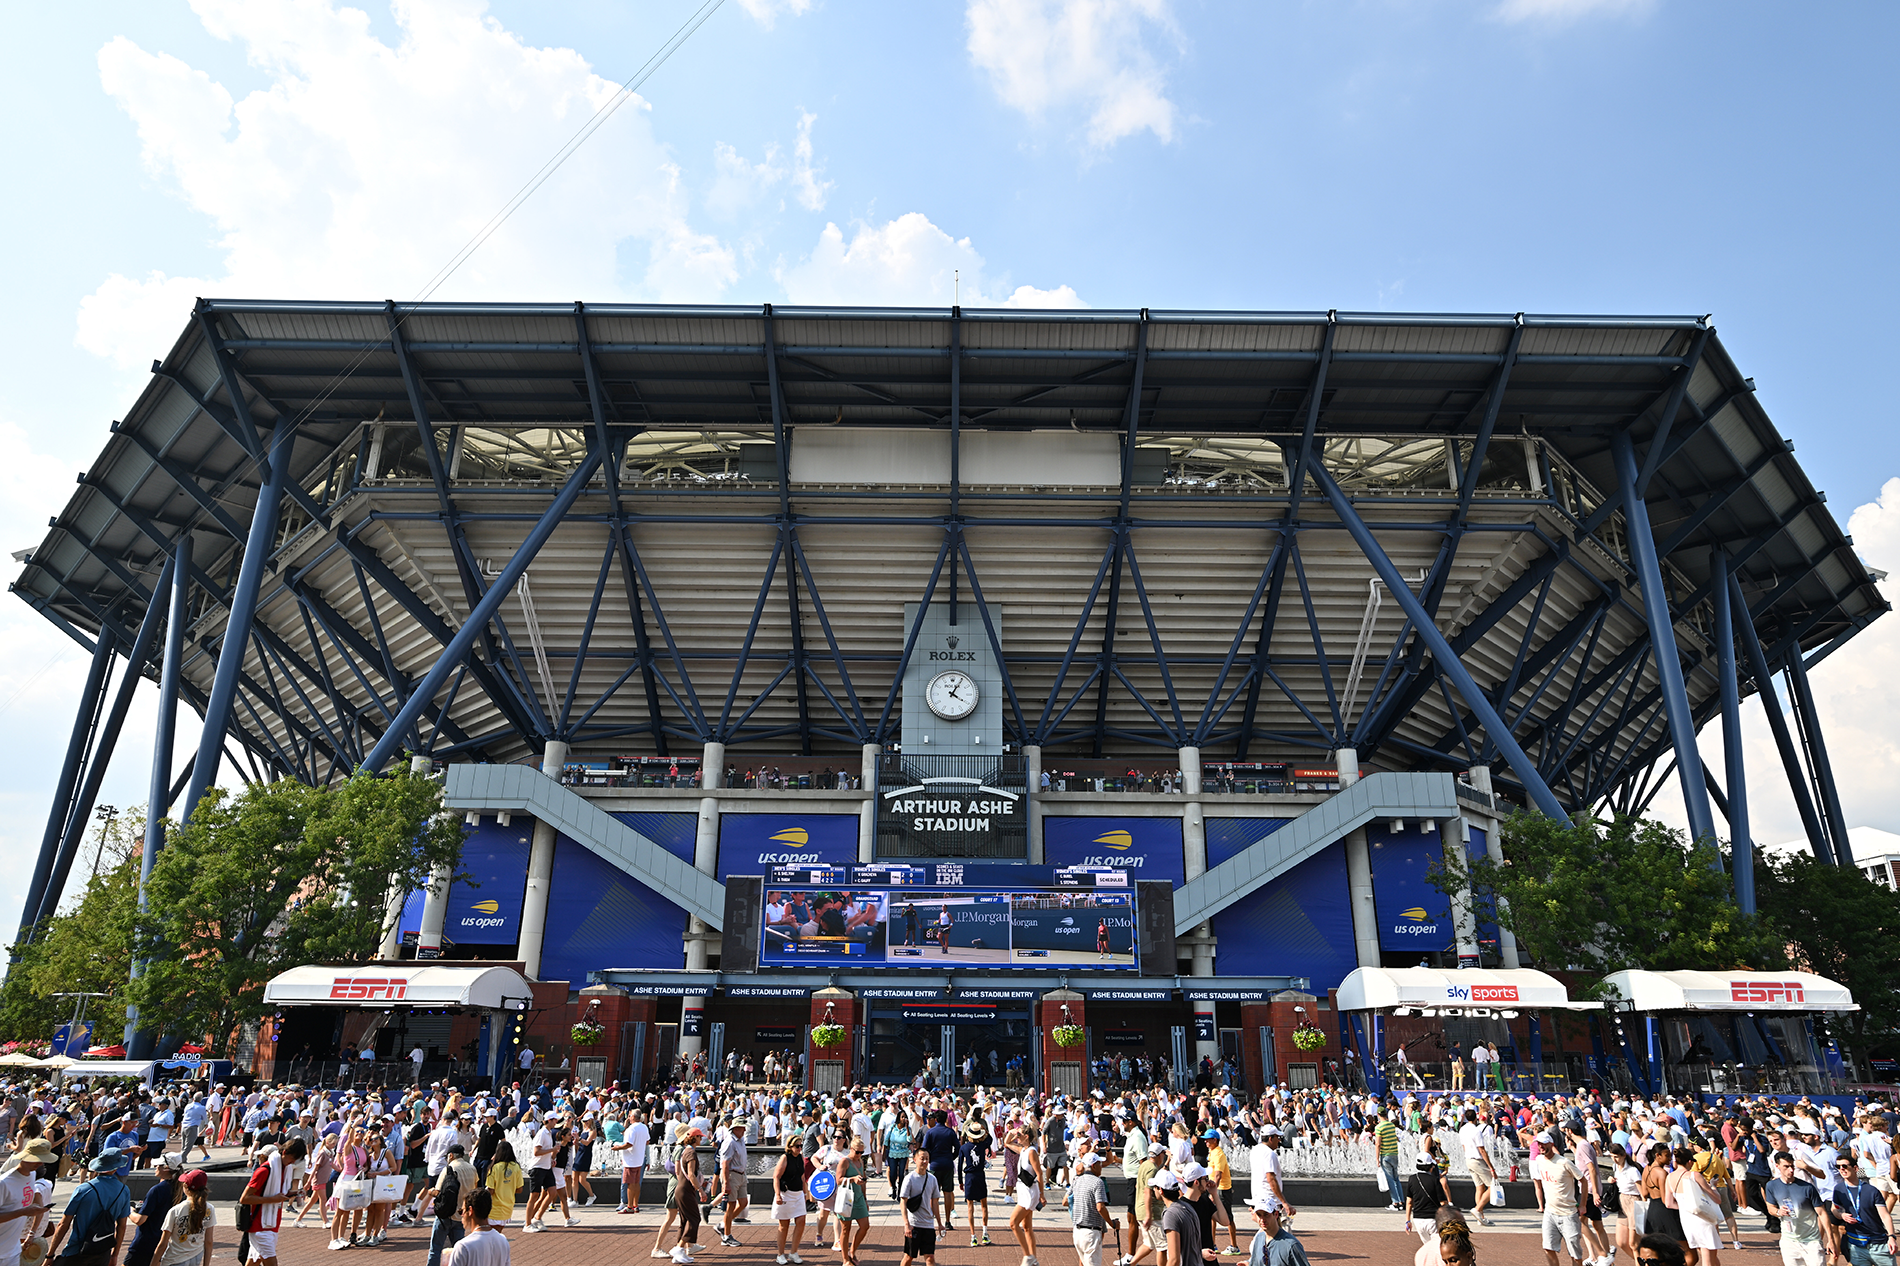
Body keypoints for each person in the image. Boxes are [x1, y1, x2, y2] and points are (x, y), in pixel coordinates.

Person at [238, 1136, 305, 1266]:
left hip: (270, 1223)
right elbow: (244, 1198)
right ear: (284, 1152)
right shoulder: (264, 1171)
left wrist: (293, 1193)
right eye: (292, 1159)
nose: (292, 1163)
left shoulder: (283, 1169)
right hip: (261, 1225)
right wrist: (273, 1199)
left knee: (254, 1261)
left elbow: (277, 1193)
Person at [1829, 1154, 1896, 1266]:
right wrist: (1841, 1215)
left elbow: (1885, 1216)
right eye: (1838, 1166)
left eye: (1845, 1166)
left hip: (1878, 1244)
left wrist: (1892, 1237)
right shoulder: (1838, 1189)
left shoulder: (1871, 1190)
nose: (1841, 1169)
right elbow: (1834, 1209)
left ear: (1855, 1168)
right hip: (1856, 1245)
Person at [1763, 1150, 1823, 1266]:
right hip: (1789, 1240)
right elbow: (1770, 1208)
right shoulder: (1771, 1185)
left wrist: (1829, 1240)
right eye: (1786, 1166)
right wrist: (1778, 1212)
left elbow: (1822, 1213)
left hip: (1811, 1240)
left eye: (1792, 1166)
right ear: (1777, 1166)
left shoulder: (1807, 1187)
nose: (1791, 1170)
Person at [1536, 1130, 1586, 1266]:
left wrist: (1582, 1204)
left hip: (1568, 1214)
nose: (1541, 1146)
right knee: (1548, 1247)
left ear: (1551, 1144)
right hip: (1549, 1212)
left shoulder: (1564, 1162)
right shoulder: (1539, 1160)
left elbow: (1583, 1180)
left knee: (1575, 1254)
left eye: (1544, 1144)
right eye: (1539, 1144)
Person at [0, 1139, 53, 1266]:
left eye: (43, 1159)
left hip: (13, 1249)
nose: (40, 1163)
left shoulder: (31, 1175)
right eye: (36, 1159)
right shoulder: (4, 1183)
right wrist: (24, 1212)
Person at [123, 1152, 181, 1266]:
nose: (155, 1167)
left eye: (158, 1165)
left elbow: (140, 1220)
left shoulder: (157, 1190)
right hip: (164, 1241)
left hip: (145, 1241)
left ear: (166, 1168)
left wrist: (129, 1211)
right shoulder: (179, 1189)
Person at [151, 1168, 213, 1266]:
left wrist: (153, 1263)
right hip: (196, 1256)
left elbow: (163, 1244)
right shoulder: (209, 1209)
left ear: (185, 1187)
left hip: (174, 1259)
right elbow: (208, 1241)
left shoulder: (175, 1210)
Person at [1069, 1152, 1116, 1266]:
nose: (1101, 1167)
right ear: (1094, 1165)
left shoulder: (1077, 1180)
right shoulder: (1098, 1182)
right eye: (1099, 1164)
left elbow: (1065, 1201)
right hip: (1091, 1232)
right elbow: (1100, 1207)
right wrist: (1112, 1223)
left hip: (1077, 1230)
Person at [899, 1152, 945, 1266]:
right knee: (909, 1256)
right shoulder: (909, 1178)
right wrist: (906, 1224)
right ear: (915, 1159)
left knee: (930, 1257)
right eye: (922, 1158)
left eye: (927, 1159)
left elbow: (935, 1202)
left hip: (928, 1224)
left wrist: (939, 1223)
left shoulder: (932, 1179)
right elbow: (903, 1201)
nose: (925, 1161)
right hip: (914, 1224)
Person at [442, 1189, 509, 1266]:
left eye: (462, 1211)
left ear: (470, 1210)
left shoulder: (463, 1246)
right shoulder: (503, 1241)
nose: (462, 1215)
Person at [771, 1134, 807, 1266]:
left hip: (798, 1194)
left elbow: (802, 1176)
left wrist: (805, 1192)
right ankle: (780, 1254)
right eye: (797, 1146)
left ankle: (794, 1251)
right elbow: (776, 1176)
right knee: (784, 1225)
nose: (799, 1148)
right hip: (786, 1194)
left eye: (801, 1146)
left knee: (801, 1221)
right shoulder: (785, 1158)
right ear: (790, 1146)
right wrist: (778, 1194)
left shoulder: (800, 1158)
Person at [833, 1138, 871, 1266]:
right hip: (846, 1198)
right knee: (845, 1229)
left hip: (859, 1197)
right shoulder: (845, 1161)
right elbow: (838, 1180)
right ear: (851, 1149)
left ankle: (852, 1251)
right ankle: (845, 1259)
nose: (859, 1155)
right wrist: (852, 1179)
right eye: (857, 1152)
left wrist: (865, 1199)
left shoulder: (860, 1161)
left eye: (862, 1152)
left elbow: (863, 1181)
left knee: (865, 1225)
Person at [1012, 1125, 1045, 1266]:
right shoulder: (1023, 1149)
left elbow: (1039, 1173)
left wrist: (1042, 1194)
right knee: (1027, 1227)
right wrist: (1013, 1132)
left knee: (1013, 1223)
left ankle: (1028, 1255)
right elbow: (1007, 1142)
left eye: (1019, 1135)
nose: (1017, 1138)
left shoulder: (1031, 1152)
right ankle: (1034, 1258)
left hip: (1030, 1192)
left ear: (1026, 1137)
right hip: (1022, 1190)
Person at [1245, 1194, 1309, 1266]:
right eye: (1259, 1215)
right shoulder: (1259, 1238)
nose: (1262, 1220)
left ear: (1276, 1214)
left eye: (1266, 1214)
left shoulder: (1291, 1245)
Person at [1405, 1155, 1454, 1244]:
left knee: (1427, 1246)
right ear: (1431, 1167)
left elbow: (1409, 1202)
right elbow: (1443, 1202)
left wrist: (1408, 1221)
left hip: (1418, 1220)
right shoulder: (1435, 1180)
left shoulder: (1412, 1179)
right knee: (1438, 1247)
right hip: (1432, 1219)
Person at [961, 1119, 993, 1247]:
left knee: (970, 1207)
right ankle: (985, 1234)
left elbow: (958, 1167)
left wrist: (959, 1181)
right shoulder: (982, 1145)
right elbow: (990, 1139)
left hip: (969, 1177)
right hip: (980, 1175)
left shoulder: (963, 1147)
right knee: (984, 1205)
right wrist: (983, 1129)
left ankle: (973, 1236)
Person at [618, 1110, 651, 1215]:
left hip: (630, 1160)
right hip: (639, 1159)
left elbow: (628, 1144)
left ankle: (629, 1206)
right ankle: (636, 1205)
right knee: (636, 1183)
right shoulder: (644, 1127)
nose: (628, 1117)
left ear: (633, 1117)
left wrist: (617, 1148)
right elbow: (647, 1141)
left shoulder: (631, 1129)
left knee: (629, 1184)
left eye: (629, 1115)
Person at [484, 1141, 523, 1228]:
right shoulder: (516, 1167)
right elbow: (520, 1189)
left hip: (494, 1208)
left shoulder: (494, 1167)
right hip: (508, 1206)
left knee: (490, 1236)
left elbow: (491, 1190)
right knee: (497, 1234)